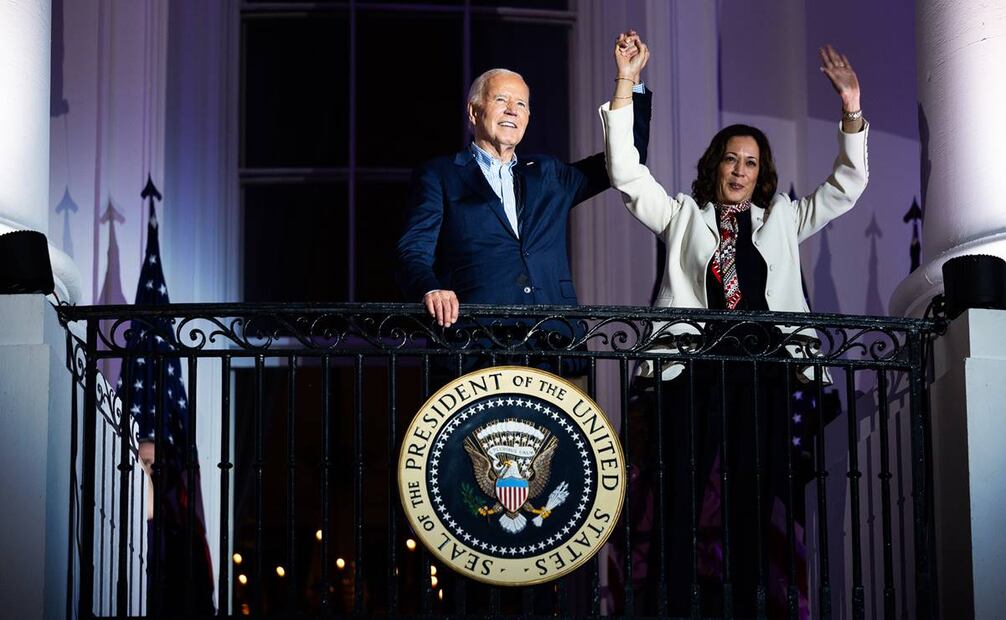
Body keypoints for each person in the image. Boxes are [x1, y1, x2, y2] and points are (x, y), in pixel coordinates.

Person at [601, 42, 868, 616]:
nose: (740, 170)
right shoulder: (680, 215)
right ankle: (670, 602)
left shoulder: (785, 220)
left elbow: (847, 185)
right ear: (715, 165)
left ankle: (750, 602)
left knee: (752, 497)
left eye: (750, 162)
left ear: (761, 172)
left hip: (763, 371)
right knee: (679, 492)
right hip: (689, 370)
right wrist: (626, 84)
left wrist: (851, 109)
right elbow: (624, 173)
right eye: (730, 159)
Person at [396, 33, 652, 348]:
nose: (512, 110)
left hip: (556, 341)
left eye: (521, 104)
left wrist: (628, 79)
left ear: (528, 118)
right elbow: (413, 252)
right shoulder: (441, 175)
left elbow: (628, 156)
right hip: (476, 343)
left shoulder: (548, 174)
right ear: (474, 112)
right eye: (501, 100)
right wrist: (431, 290)